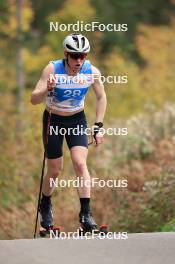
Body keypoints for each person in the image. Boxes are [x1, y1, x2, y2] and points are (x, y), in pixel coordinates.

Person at [31, 33, 107, 232]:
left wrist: (99, 125)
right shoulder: (52, 69)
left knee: (80, 162)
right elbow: (33, 99)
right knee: (55, 169)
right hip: (53, 120)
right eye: (75, 56)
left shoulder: (92, 71)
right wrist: (46, 89)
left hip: (76, 119)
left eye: (83, 55)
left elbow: (102, 97)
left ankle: (86, 213)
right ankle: (45, 205)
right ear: (66, 54)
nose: (79, 60)